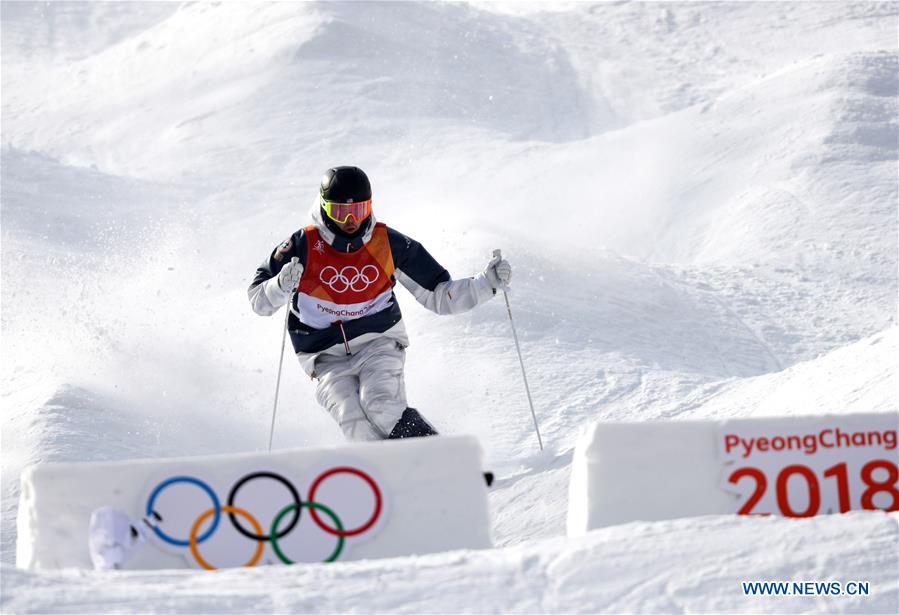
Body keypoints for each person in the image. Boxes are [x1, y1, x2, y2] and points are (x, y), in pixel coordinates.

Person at [248, 166, 512, 442]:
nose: (351, 220)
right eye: (341, 212)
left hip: (379, 342)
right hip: (324, 357)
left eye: (360, 210)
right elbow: (258, 301)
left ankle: (433, 454)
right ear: (325, 207)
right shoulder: (302, 245)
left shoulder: (387, 243)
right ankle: (390, 477)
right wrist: (280, 284)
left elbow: (439, 294)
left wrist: (486, 283)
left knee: (381, 404)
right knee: (354, 422)